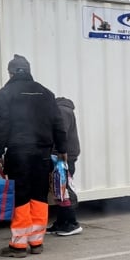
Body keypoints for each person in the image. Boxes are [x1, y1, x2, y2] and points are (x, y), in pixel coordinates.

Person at [0, 54, 67, 258]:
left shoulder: (6, 94)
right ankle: (36, 242)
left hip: (18, 154)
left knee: (21, 198)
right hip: (43, 155)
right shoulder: (46, 93)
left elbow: (0, 126)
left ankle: (18, 246)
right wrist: (62, 152)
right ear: (28, 70)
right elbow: (58, 126)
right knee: (40, 197)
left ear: (10, 72)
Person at [48, 97, 82, 236]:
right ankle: (62, 223)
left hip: (62, 158)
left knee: (64, 190)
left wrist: (55, 154)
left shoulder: (61, 111)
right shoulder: (63, 110)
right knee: (60, 191)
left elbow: (60, 134)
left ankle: (71, 223)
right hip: (64, 156)